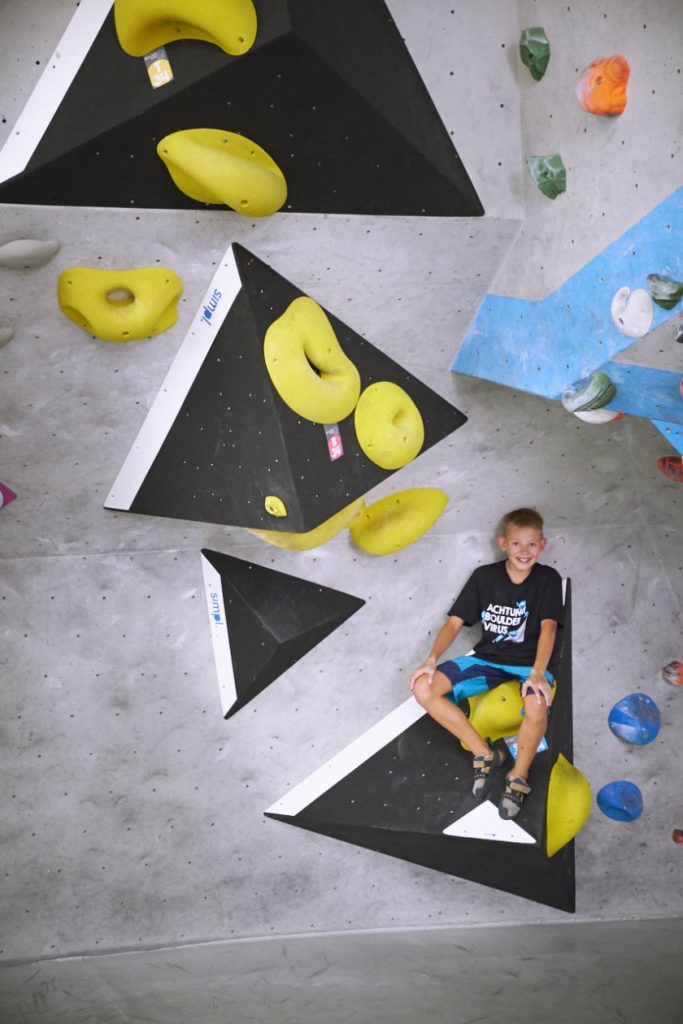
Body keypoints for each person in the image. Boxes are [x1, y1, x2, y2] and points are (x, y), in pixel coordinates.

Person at [408, 507, 564, 819]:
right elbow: (454, 624)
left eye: (532, 544)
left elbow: (548, 627)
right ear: (503, 543)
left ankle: (518, 776)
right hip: (488, 661)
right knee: (423, 688)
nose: (524, 551)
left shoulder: (547, 578)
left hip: (528, 665)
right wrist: (431, 660)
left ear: (542, 546)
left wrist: (537, 673)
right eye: (517, 543)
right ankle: (483, 753)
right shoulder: (484, 577)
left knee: (536, 705)